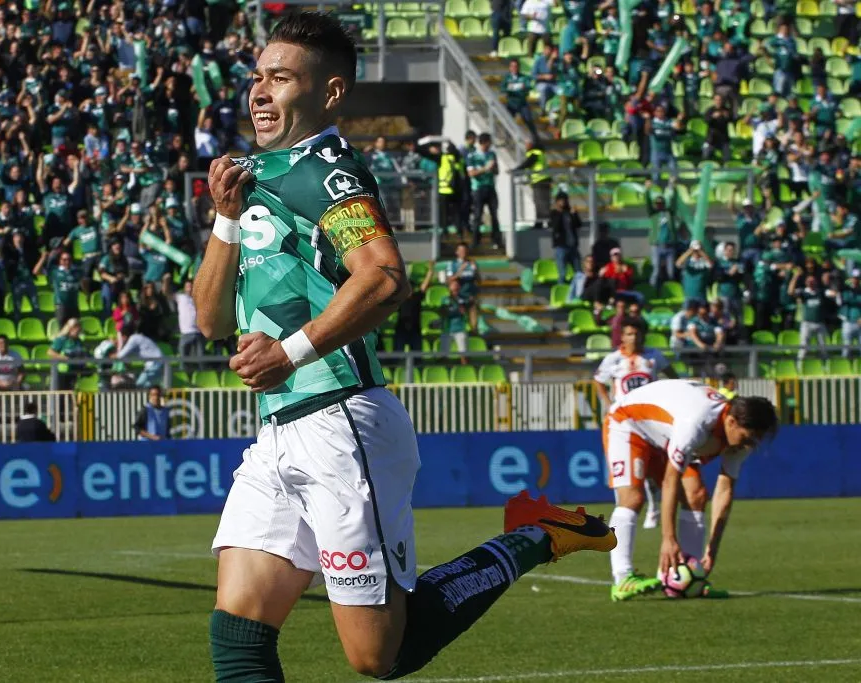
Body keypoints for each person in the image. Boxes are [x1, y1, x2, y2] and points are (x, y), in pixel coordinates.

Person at [192, 14, 615, 681]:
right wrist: (222, 216)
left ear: (330, 93)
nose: (259, 93)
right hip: (279, 429)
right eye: (256, 78)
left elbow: (386, 276)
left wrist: (291, 352)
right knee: (238, 631)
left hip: (340, 424)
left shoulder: (327, 171)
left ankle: (535, 534)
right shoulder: (258, 177)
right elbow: (210, 320)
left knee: (376, 655)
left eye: (280, 78)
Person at [604, 380, 778, 601]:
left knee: (696, 495)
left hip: (665, 435)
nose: (748, 445)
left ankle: (685, 577)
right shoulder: (696, 423)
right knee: (633, 497)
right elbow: (670, 481)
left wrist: (712, 550)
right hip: (629, 422)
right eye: (746, 438)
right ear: (731, 422)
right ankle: (622, 579)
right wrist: (668, 538)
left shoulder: (741, 439)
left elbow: (724, 490)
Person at [594, 319, 679, 529]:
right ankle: (621, 509)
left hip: (649, 420)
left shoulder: (653, 356)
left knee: (651, 466)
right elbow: (598, 381)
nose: (634, 338)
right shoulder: (613, 359)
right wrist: (607, 403)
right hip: (623, 421)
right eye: (630, 334)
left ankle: (653, 508)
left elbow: (671, 375)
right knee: (622, 469)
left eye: (637, 333)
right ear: (622, 337)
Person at [466, 133, 503, 250]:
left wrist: (493, 168)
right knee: (477, 215)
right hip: (478, 189)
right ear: (484, 143)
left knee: (494, 215)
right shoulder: (472, 155)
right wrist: (485, 168)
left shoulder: (492, 154)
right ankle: (475, 241)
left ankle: (497, 240)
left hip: (490, 187)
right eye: (489, 142)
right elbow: (471, 173)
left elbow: (497, 172)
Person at [789, 268, 833, 362]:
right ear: (806, 282)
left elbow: (833, 294)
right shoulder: (803, 292)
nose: (811, 282)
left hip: (820, 323)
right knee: (804, 346)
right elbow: (791, 292)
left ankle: (825, 366)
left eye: (813, 281)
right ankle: (800, 365)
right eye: (809, 281)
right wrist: (795, 276)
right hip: (807, 323)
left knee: (823, 347)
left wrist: (828, 281)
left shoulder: (821, 292)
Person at [395, 263, 435, 352]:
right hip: (401, 330)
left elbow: (425, 285)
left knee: (417, 356)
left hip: (415, 330)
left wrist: (430, 271)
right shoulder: (400, 298)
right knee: (397, 355)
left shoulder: (417, 297)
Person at [445, 243, 480, 332]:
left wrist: (476, 270)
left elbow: (479, 281)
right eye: (460, 250)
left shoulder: (472, 264)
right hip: (458, 297)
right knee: (460, 324)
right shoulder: (452, 264)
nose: (463, 252)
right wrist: (460, 271)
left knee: (474, 323)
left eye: (464, 250)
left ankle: (474, 334)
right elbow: (449, 280)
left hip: (470, 296)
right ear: (456, 252)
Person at [115, 322, 163, 388]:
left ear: (124, 336)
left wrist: (119, 345)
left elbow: (120, 356)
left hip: (154, 364)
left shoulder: (134, 339)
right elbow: (127, 356)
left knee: (139, 386)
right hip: (156, 363)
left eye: (121, 337)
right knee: (147, 387)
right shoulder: (136, 338)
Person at [549, 193, 581, 284]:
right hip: (561, 247)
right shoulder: (554, 213)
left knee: (579, 273)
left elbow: (578, 224)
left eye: (565, 200)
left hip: (573, 247)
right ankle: (561, 292)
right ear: (557, 202)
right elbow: (556, 227)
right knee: (562, 273)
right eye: (561, 200)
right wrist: (559, 213)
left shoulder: (570, 212)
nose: (563, 202)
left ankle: (578, 293)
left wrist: (574, 214)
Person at [48, 318, 87, 391]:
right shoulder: (61, 339)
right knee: (61, 394)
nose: (78, 331)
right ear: (70, 329)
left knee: (71, 392)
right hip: (61, 372)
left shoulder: (78, 341)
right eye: (76, 328)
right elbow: (50, 352)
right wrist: (64, 358)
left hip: (73, 370)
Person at [175, 279, 206, 368]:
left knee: (202, 359)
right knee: (183, 359)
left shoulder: (200, 298)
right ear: (184, 288)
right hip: (186, 333)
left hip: (199, 333)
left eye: (191, 286)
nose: (189, 288)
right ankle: (184, 377)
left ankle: (203, 377)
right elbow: (167, 293)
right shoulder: (180, 297)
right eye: (188, 286)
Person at [837, 269, 861, 358]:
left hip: (860, 323)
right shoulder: (845, 290)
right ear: (850, 279)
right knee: (846, 347)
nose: (855, 280)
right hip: (848, 322)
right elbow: (840, 302)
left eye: (857, 278)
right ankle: (845, 367)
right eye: (854, 278)